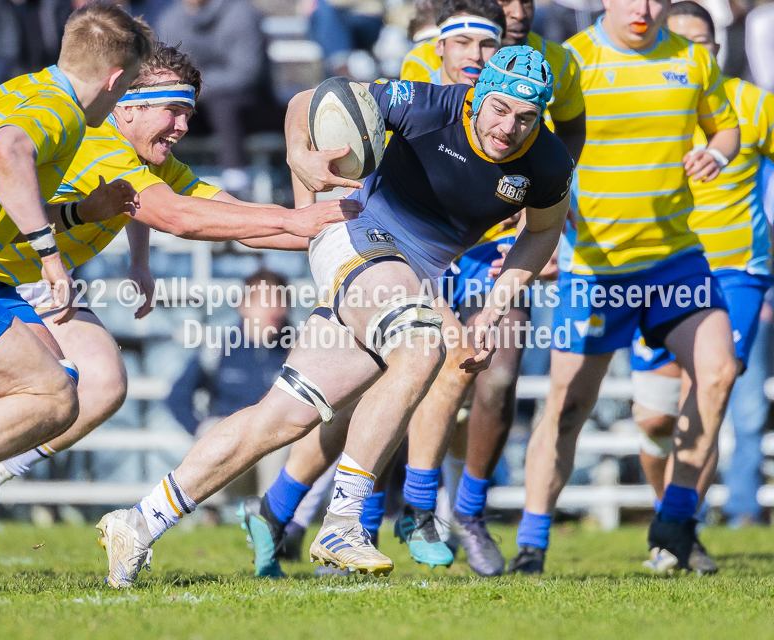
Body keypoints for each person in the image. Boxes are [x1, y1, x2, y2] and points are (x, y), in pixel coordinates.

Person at [96, 45, 574, 588]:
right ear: (478, 95)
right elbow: (310, 98)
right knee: (423, 344)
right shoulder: (428, 105)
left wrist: (491, 312)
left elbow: (541, 231)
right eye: (500, 109)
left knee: (284, 418)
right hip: (352, 231)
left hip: (411, 270)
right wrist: (301, 154)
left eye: (526, 117)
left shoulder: (548, 161)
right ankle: (344, 521)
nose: (509, 127)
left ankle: (137, 522)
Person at [0, 42, 360, 561]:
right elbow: (176, 215)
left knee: (96, 385)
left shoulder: (142, 154)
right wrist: (297, 219)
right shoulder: (95, 143)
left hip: (32, 279)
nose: (182, 126)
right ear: (128, 105)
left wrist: (357, 222)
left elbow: (234, 218)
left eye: (189, 114)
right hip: (0, 272)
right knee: (55, 390)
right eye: (173, 110)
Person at [507, 0, 741, 576]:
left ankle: (676, 520)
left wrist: (714, 151)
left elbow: (728, 126)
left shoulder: (692, 58)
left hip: (674, 261)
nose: (641, 8)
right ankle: (532, 545)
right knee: (567, 409)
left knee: (718, 371)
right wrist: (540, 221)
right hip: (596, 268)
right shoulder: (570, 61)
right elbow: (523, 134)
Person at [0, 0, 153, 550]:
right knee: (53, 395)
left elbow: (4, 185)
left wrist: (80, 213)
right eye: (126, 92)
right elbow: (7, 153)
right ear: (115, 78)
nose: (122, 103)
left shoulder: (20, 90)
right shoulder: (64, 111)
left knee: (53, 371)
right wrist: (52, 259)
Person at [628, 1, 774, 571]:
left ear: (716, 49)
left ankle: (679, 530)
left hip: (737, 269)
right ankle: (673, 515)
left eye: (704, 45)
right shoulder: (646, 104)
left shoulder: (751, 104)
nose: (695, 55)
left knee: (707, 390)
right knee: (656, 419)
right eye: (682, 44)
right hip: (660, 270)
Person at [156, 0, 270, 192]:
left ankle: (235, 177)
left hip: (246, 106)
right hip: (194, 106)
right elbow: (167, 73)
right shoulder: (171, 19)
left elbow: (247, 73)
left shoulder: (241, 14)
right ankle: (155, 177)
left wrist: (196, 87)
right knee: (165, 104)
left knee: (224, 102)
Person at [167, 269, 291, 437]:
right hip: (231, 439)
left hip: (278, 440)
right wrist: (201, 428)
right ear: (244, 305)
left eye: (281, 301)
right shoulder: (218, 349)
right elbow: (178, 396)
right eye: (266, 300)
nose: (275, 309)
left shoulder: (297, 352)